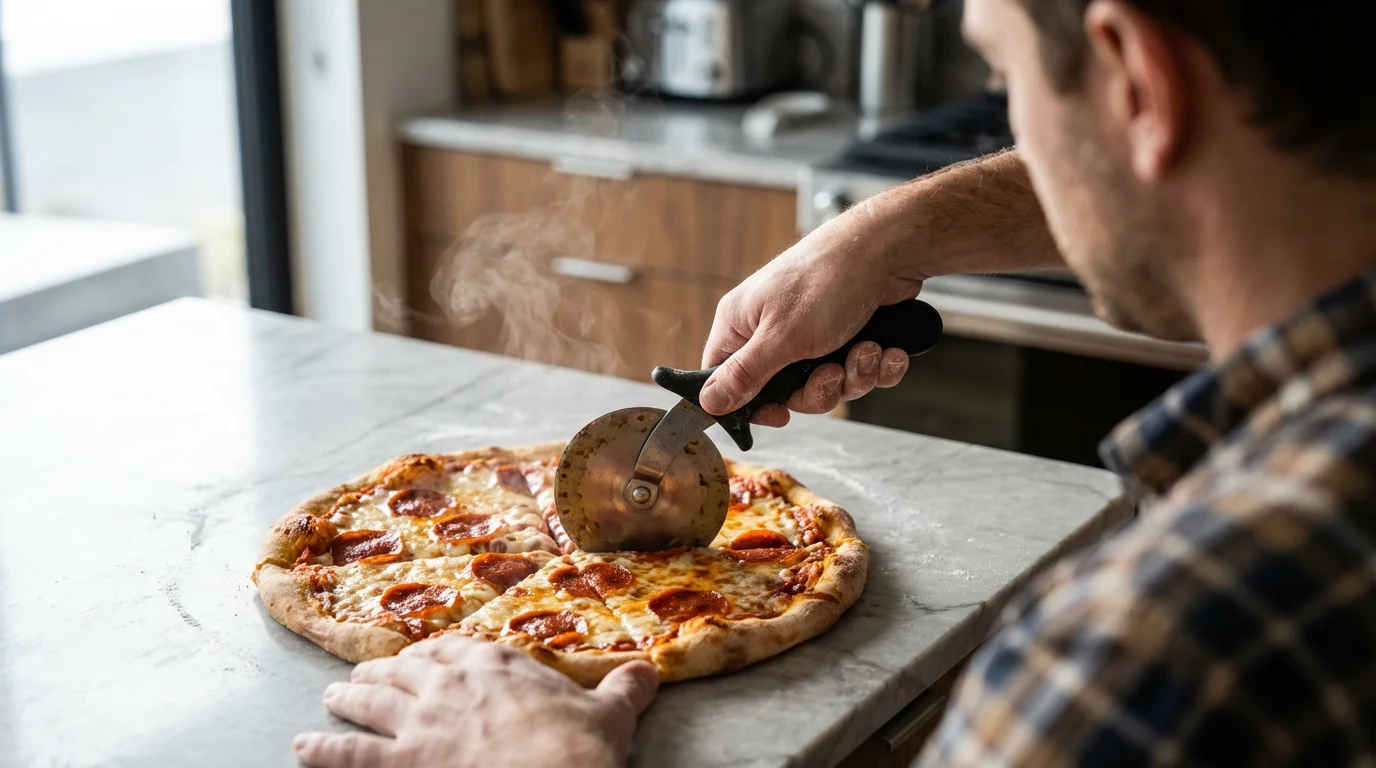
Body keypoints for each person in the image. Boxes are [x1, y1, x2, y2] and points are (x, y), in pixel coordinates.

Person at [294, 0, 1376, 764]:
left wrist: (536, 762)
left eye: (1002, 82)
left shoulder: (1144, 655)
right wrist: (892, 232)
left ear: (1135, 80)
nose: (1009, 124)